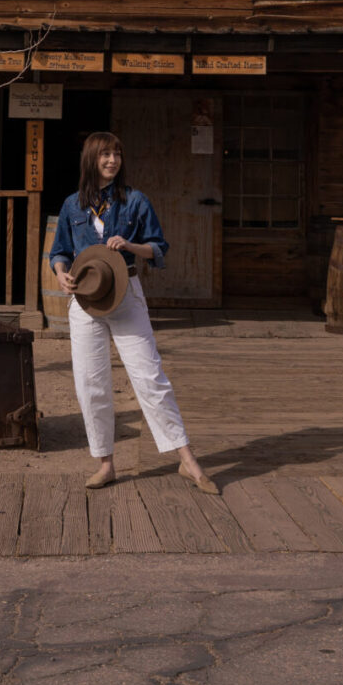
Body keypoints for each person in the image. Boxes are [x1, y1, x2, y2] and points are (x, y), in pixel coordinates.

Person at [50, 131, 218, 493]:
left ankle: (188, 461)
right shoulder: (71, 206)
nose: (112, 161)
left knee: (150, 378)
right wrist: (62, 274)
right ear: (91, 159)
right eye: (105, 155)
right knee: (91, 383)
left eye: (117, 155)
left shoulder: (135, 201)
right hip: (85, 300)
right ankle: (106, 463)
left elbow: (158, 248)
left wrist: (129, 245)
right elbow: (59, 252)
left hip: (126, 294)